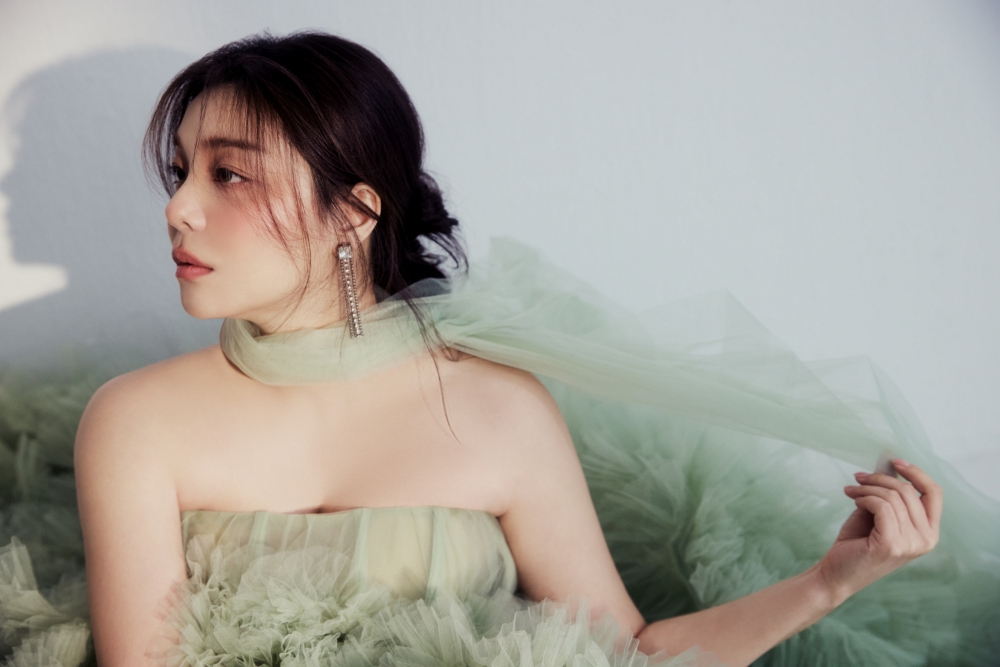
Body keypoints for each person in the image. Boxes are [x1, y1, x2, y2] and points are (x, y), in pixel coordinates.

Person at [0, 30, 997, 667]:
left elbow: (632, 653)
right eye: (180, 171)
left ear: (352, 214)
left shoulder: (496, 410)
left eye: (228, 174)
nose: (176, 208)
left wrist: (828, 583)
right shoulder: (136, 421)